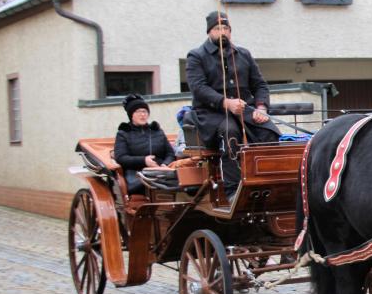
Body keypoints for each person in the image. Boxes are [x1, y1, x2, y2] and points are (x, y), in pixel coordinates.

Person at [186, 11, 280, 202]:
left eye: (226, 28)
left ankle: (269, 183)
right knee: (230, 133)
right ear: (209, 32)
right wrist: (226, 103)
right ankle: (233, 191)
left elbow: (260, 85)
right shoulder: (196, 56)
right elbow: (198, 88)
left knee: (269, 131)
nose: (222, 32)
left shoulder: (243, 54)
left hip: (245, 111)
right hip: (212, 114)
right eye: (217, 28)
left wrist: (261, 108)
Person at [113, 94, 175, 195]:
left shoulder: (157, 131)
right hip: (137, 175)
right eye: (138, 111)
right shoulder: (123, 133)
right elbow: (121, 157)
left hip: (161, 172)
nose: (142, 115)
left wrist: (165, 164)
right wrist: (144, 160)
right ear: (131, 115)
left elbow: (170, 153)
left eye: (144, 111)